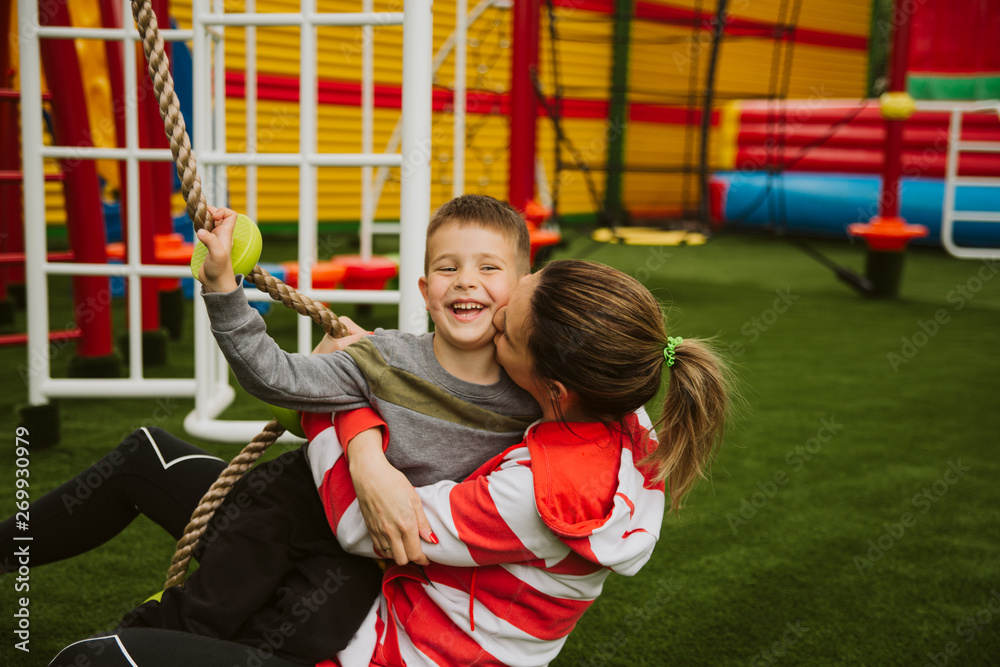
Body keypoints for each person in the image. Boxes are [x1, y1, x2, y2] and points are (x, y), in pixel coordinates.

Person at [47, 258, 733, 666]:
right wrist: (382, 372)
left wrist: (348, 410)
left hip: (364, 642)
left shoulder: (541, 496)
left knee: (92, 660)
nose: (490, 317)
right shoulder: (624, 402)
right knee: (145, 457)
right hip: (362, 579)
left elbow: (360, 526)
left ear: (555, 391)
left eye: (503, 329)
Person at [3, 195, 541, 664]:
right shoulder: (384, 357)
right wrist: (223, 289)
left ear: (521, 289)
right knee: (216, 604)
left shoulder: (532, 400)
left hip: (358, 555)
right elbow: (275, 375)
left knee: (312, 634)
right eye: (448, 267)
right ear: (425, 289)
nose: (466, 279)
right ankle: (132, 646)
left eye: (488, 267)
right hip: (292, 505)